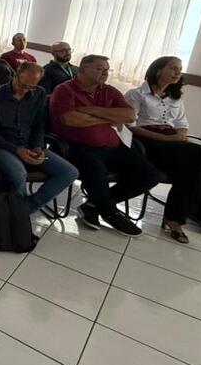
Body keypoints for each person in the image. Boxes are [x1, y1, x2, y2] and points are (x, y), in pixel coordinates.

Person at [126, 56, 201, 242]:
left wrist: (180, 135)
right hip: (147, 143)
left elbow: (182, 123)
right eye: (173, 68)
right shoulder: (136, 94)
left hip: (173, 143)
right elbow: (131, 126)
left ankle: (174, 220)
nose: (177, 73)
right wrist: (168, 139)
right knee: (199, 153)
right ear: (158, 71)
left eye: (179, 69)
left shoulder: (176, 97)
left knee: (190, 169)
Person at [50, 54, 162, 237]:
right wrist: (110, 116)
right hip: (76, 146)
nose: (105, 73)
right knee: (96, 171)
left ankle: (94, 205)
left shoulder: (109, 91)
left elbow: (129, 116)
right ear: (83, 69)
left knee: (150, 175)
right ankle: (109, 212)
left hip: (113, 146)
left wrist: (91, 111)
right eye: (100, 68)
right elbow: (70, 119)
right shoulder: (65, 90)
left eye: (107, 70)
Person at [0, 63, 78, 214]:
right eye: (22, 84)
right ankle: (18, 212)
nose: (24, 90)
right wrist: (17, 150)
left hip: (29, 144)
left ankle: (26, 208)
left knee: (70, 172)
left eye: (31, 87)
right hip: (3, 146)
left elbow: (39, 126)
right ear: (16, 74)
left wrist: (38, 146)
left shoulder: (39, 93)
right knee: (19, 175)